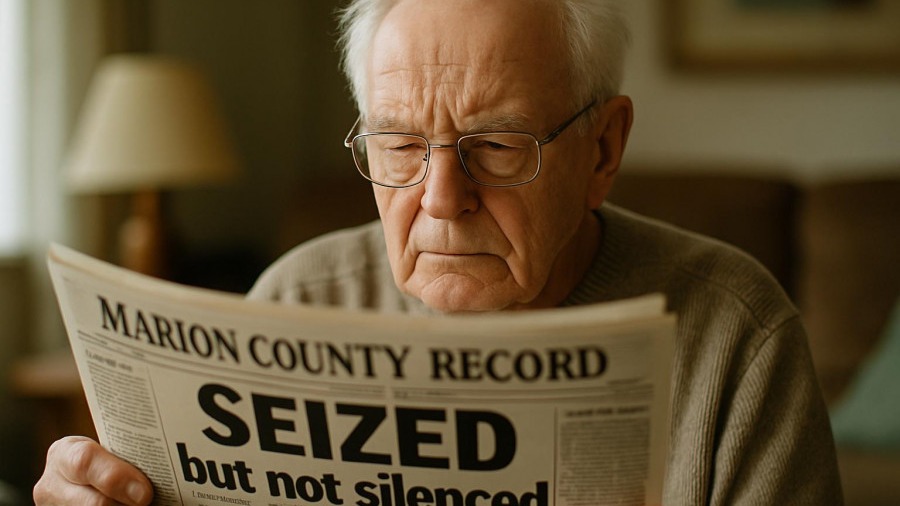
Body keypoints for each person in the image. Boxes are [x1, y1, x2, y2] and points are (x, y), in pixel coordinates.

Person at [34, 0, 843, 504]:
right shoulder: (298, 299)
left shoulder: (736, 333)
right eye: (398, 144)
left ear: (602, 151)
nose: (442, 196)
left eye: (496, 145)